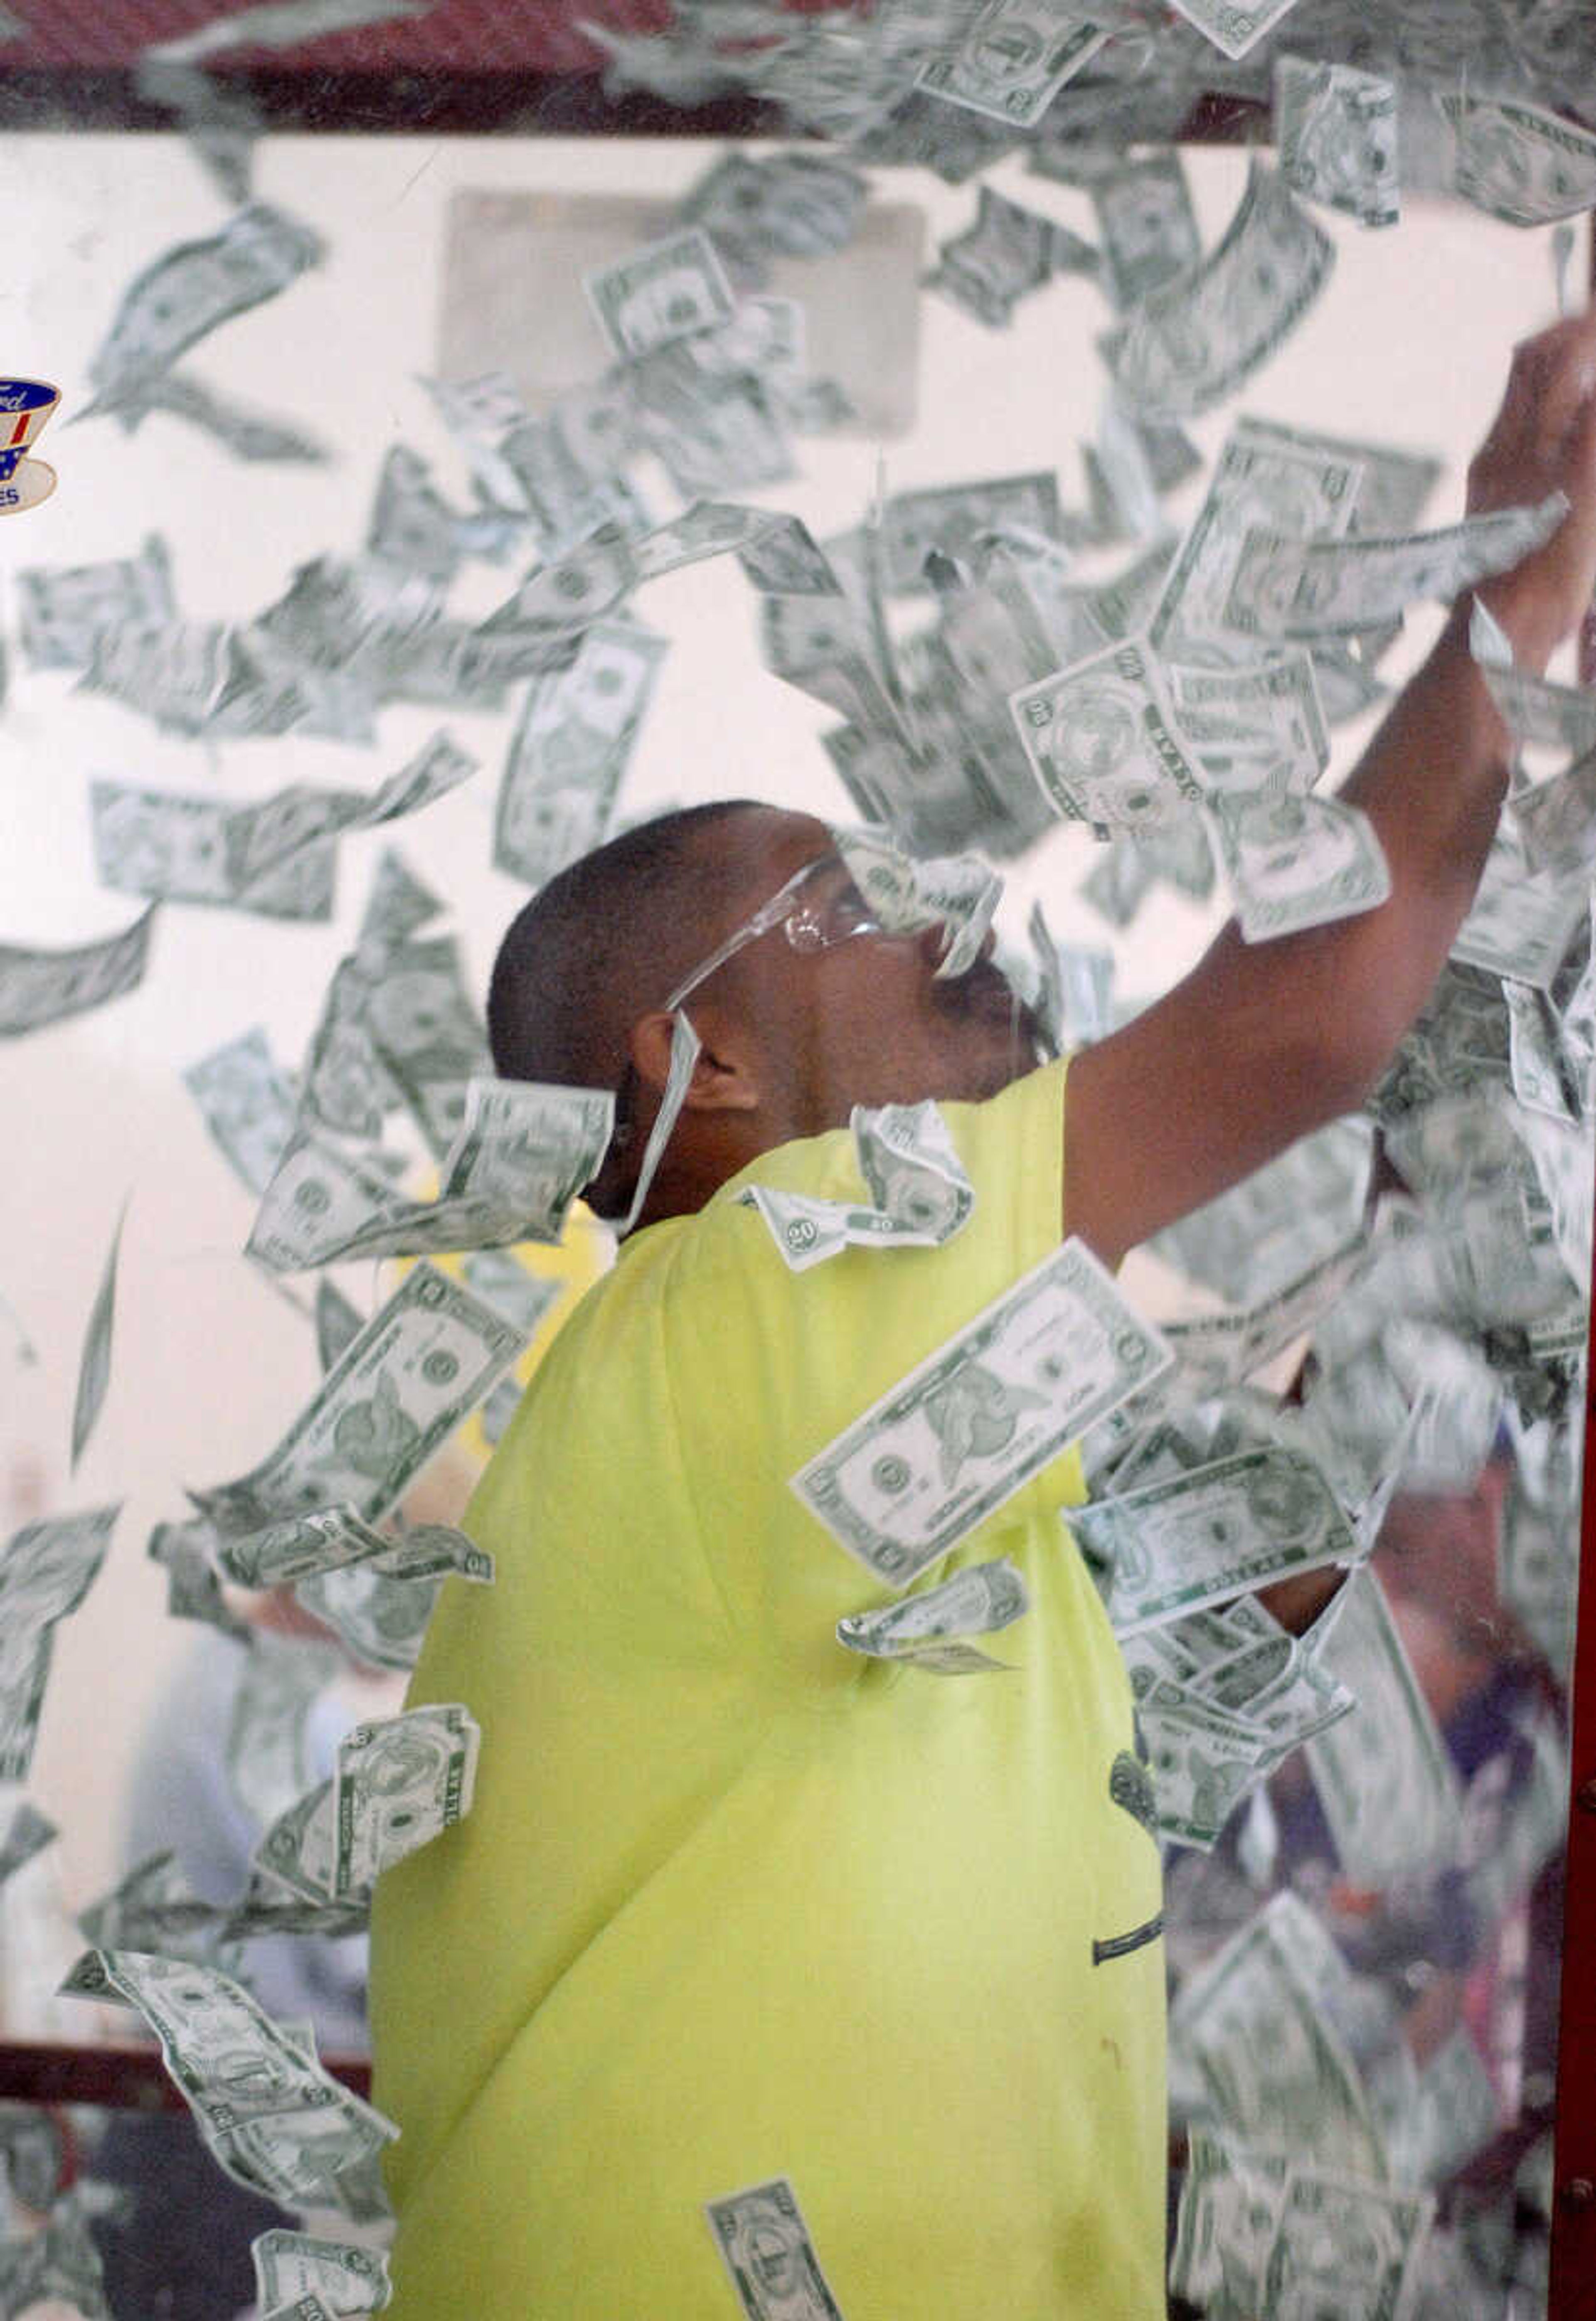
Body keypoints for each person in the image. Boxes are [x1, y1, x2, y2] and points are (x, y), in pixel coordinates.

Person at [368, 310, 1596, 2317]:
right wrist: (1509, 609)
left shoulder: (876, 1436)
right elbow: (1305, 1010)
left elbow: (1267, 1569)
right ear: (707, 1066)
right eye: (844, 904)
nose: (945, 911)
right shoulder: (756, 1297)